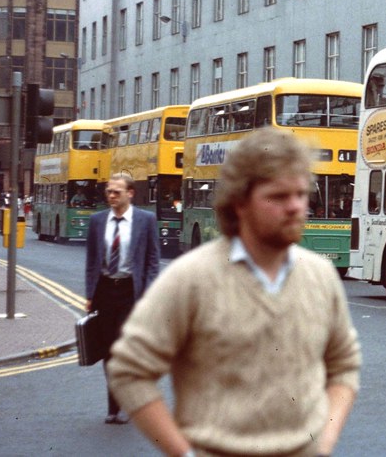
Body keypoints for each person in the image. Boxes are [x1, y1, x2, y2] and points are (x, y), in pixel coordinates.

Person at [107, 127, 362, 456]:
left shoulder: (321, 275)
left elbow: (344, 365)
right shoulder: (191, 278)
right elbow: (129, 370)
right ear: (240, 203)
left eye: (301, 194)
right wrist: (183, 453)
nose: (296, 207)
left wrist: (323, 441)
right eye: (278, 197)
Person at [84, 173, 160, 425]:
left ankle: (125, 404)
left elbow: (152, 261)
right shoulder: (97, 221)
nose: (111, 195)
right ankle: (114, 406)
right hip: (105, 291)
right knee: (108, 351)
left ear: (130, 193)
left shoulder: (145, 220)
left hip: (131, 292)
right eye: (108, 191)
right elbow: (92, 261)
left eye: (116, 191)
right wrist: (89, 295)